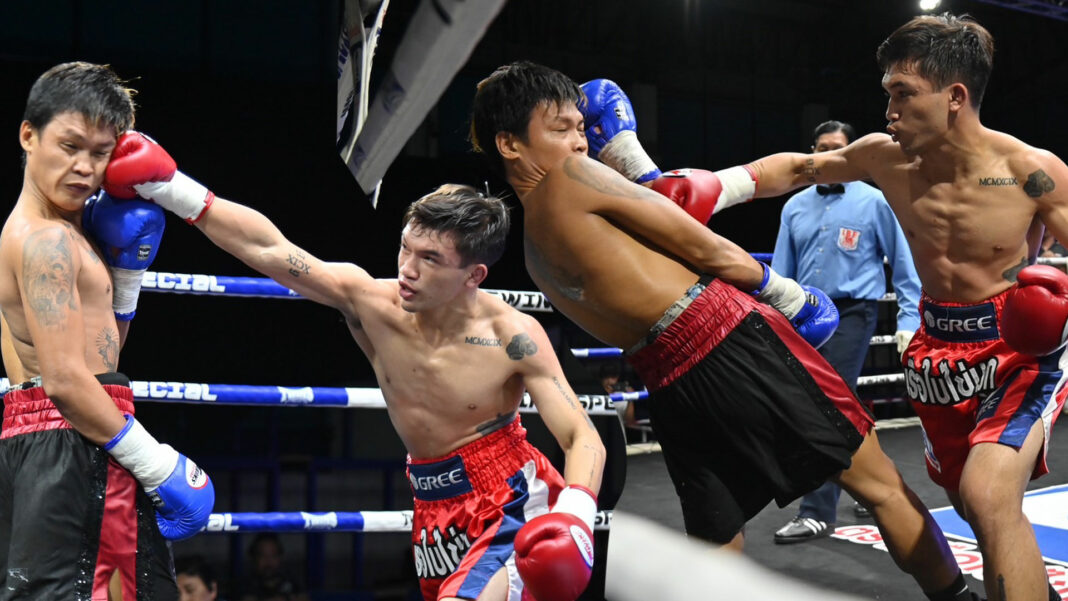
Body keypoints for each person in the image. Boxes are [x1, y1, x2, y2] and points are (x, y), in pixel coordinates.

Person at [468, 61, 977, 601]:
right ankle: (958, 598)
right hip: (732, 339)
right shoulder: (573, 177)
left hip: (669, 383)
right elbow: (703, 245)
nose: (579, 142)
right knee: (880, 485)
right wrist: (787, 293)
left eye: (580, 128)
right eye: (562, 129)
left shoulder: (534, 255)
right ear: (509, 144)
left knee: (715, 540)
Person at [648, 13, 1068, 601]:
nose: (889, 111)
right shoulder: (883, 157)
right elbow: (798, 168)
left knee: (989, 496)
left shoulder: (1031, 172)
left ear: (955, 96)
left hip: (1017, 350)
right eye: (887, 93)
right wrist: (722, 185)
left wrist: (1055, 301)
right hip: (938, 353)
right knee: (971, 505)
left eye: (904, 93)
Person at [97, 135, 607, 601]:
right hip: (432, 508)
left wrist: (577, 513)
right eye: (406, 246)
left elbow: (583, 437)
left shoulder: (512, 337)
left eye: (430, 259)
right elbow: (270, 250)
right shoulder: (372, 303)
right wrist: (172, 188)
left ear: (474, 275)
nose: (407, 269)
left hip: (508, 500)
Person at [0, 62, 214, 601]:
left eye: (100, 153)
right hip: (74, 437)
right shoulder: (45, 241)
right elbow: (66, 381)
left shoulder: (70, 232)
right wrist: (156, 464)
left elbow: (101, 355)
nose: (84, 167)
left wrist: (127, 274)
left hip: (80, 434)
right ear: (28, 135)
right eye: (69, 146)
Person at [772, 120, 922, 544]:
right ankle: (874, 486)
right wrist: (772, 322)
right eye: (822, 147)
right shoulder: (794, 206)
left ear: (849, 153)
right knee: (841, 403)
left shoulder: (874, 201)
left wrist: (908, 322)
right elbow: (780, 272)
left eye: (837, 147)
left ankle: (817, 511)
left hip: (854, 312)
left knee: (825, 403)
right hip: (803, 311)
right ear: (812, 153)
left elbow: (905, 264)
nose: (828, 154)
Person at [238, 534, 307, 601]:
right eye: (262, 556)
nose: (268, 561)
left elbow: (304, 598)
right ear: (254, 558)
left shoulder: (291, 580)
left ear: (280, 557)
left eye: (273, 556)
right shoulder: (245, 584)